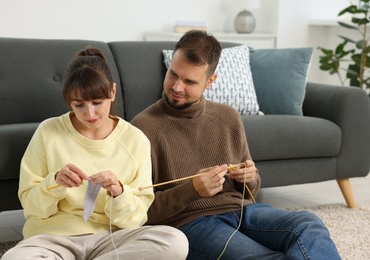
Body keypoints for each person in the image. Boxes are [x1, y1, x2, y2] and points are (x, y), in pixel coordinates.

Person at [131, 30, 341, 259]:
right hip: (191, 223)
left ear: (210, 81)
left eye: (189, 81)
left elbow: (251, 191)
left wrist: (250, 178)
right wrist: (191, 190)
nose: (176, 87)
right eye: (173, 75)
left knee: (309, 225)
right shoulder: (142, 128)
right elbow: (138, 212)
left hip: (243, 211)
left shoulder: (228, 117)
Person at [2, 47, 188, 260]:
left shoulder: (135, 140)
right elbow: (32, 209)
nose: (89, 114)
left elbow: (135, 219)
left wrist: (119, 192)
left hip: (111, 241)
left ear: (112, 92)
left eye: (97, 103)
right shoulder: (48, 132)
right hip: (52, 239)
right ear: (68, 101)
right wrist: (54, 183)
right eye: (79, 105)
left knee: (174, 242)